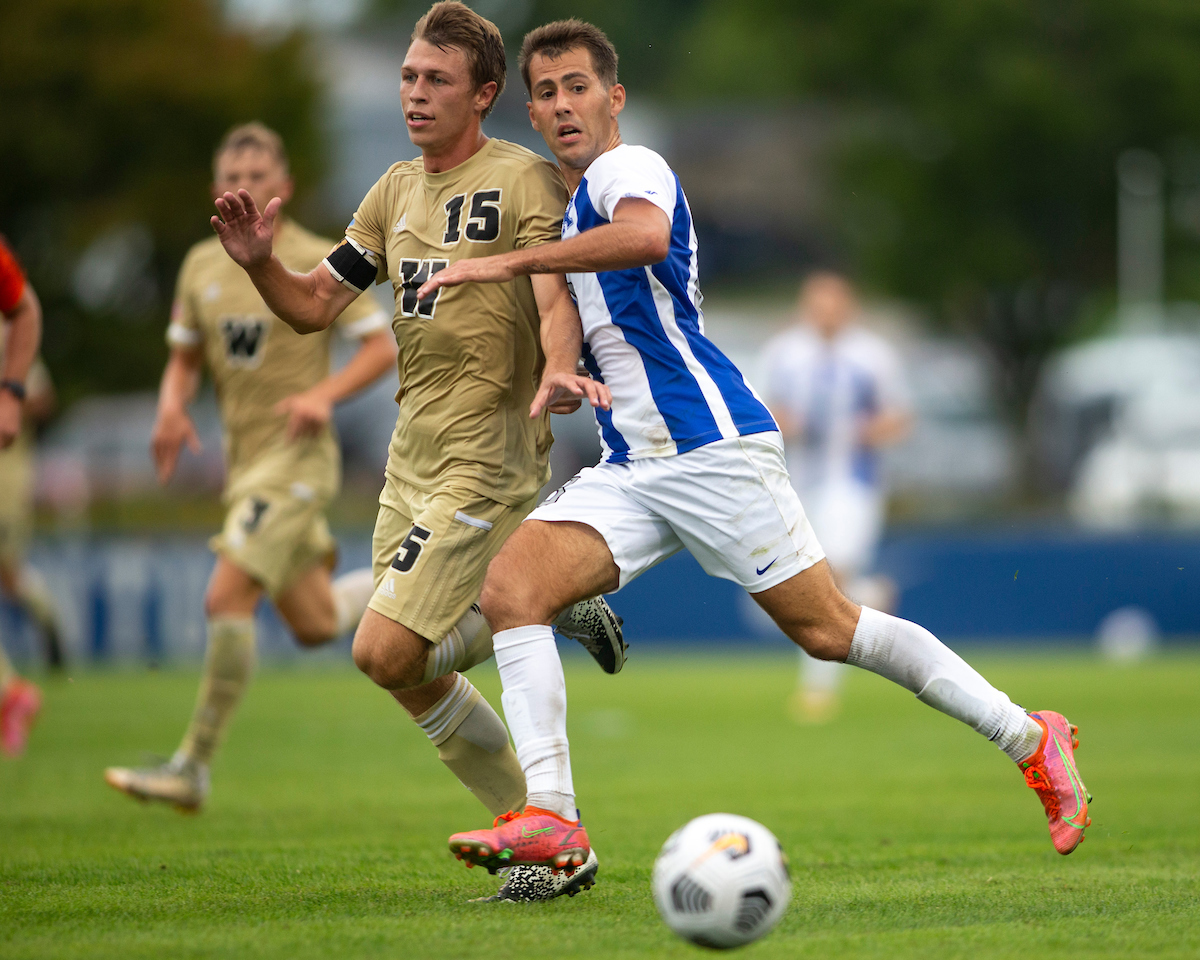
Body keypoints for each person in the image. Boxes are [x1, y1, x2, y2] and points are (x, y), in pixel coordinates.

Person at [419, 19, 1091, 873]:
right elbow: (570, 305)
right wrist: (555, 366)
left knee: (829, 630)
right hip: (634, 465)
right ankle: (553, 816)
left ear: (613, 97)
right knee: (513, 590)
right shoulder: (568, 207)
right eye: (545, 93)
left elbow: (646, 238)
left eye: (578, 86)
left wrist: (504, 265)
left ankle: (1031, 738)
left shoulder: (633, 169)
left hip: (711, 449)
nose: (562, 106)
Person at [204, 3, 624, 901]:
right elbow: (317, 305)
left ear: (484, 93)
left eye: (435, 79)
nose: (415, 93)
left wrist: (557, 368)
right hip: (412, 456)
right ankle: (549, 841)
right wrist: (257, 264)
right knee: (402, 673)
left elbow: (556, 296)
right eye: (406, 76)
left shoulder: (526, 182)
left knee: (382, 649)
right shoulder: (393, 190)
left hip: (489, 452)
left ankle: (547, 604)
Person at [104, 123, 396, 808]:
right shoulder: (200, 267)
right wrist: (171, 408)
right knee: (316, 621)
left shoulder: (314, 260)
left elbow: (381, 349)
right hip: (246, 468)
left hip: (297, 464)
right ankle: (423, 588)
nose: (248, 184)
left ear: (285, 188)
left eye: (260, 174)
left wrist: (322, 396)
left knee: (223, 596)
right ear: (215, 190)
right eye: (235, 174)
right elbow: (182, 357)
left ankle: (192, 768)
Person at [759, 271, 912, 722]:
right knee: (814, 584)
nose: (826, 313)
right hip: (797, 483)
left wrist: (872, 431)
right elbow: (757, 411)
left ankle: (817, 689)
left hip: (853, 484)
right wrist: (783, 423)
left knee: (832, 575)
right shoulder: (784, 354)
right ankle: (873, 594)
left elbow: (900, 416)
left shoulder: (873, 356)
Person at [0, 236, 59, 757]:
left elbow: (43, 395)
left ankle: (12, 690)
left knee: (8, 572)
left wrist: (11, 395)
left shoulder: (9, 330)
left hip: (7, 475)